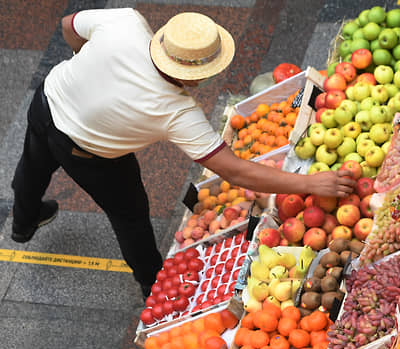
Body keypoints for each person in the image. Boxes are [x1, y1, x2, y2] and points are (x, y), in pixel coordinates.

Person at [10, 9, 356, 298]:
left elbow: (69, 24)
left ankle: (23, 223)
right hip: (90, 153)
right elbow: (235, 171)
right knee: (130, 216)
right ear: (194, 77)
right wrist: (310, 183)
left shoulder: (126, 23)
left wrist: (84, 66)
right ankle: (151, 283)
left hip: (46, 101)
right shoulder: (176, 112)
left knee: (33, 165)